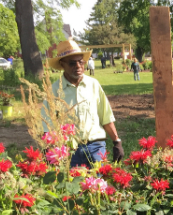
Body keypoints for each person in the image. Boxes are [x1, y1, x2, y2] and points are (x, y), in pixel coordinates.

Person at [44, 38, 124, 167]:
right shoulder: (53, 91)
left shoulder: (93, 85)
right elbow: (47, 124)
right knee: (72, 186)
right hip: (68, 150)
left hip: (95, 147)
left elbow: (106, 116)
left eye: (81, 62)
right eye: (72, 63)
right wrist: (49, 149)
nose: (78, 66)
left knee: (98, 185)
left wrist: (116, 141)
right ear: (62, 64)